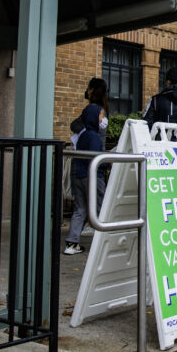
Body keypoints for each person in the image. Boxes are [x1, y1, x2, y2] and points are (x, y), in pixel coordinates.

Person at [65, 103, 107, 255]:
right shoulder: (94, 137)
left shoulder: (82, 135)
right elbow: (95, 159)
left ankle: (71, 243)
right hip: (93, 177)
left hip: (78, 175)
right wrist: (108, 161)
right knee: (102, 208)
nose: (102, 119)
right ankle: (105, 243)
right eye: (101, 116)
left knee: (80, 209)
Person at [84, 78, 110, 145]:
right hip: (99, 150)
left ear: (92, 90)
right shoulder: (103, 109)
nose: (87, 91)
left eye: (88, 88)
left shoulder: (92, 109)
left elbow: (75, 125)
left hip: (90, 150)